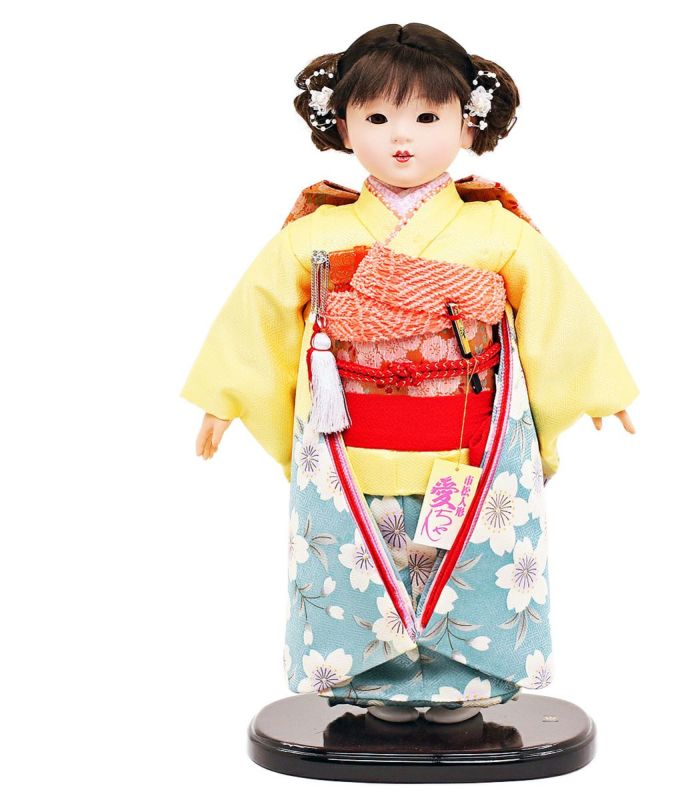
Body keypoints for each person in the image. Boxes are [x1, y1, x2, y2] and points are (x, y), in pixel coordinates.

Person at [180, 22, 638, 724]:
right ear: (343, 125)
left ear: (467, 124)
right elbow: (258, 316)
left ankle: (465, 683)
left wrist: (597, 386)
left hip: (465, 440)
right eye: (376, 118)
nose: (402, 136)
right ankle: (376, 688)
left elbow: (557, 312)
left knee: (466, 561)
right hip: (352, 438)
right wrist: (225, 393)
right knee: (364, 565)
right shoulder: (315, 235)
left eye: (427, 117)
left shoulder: (498, 231)